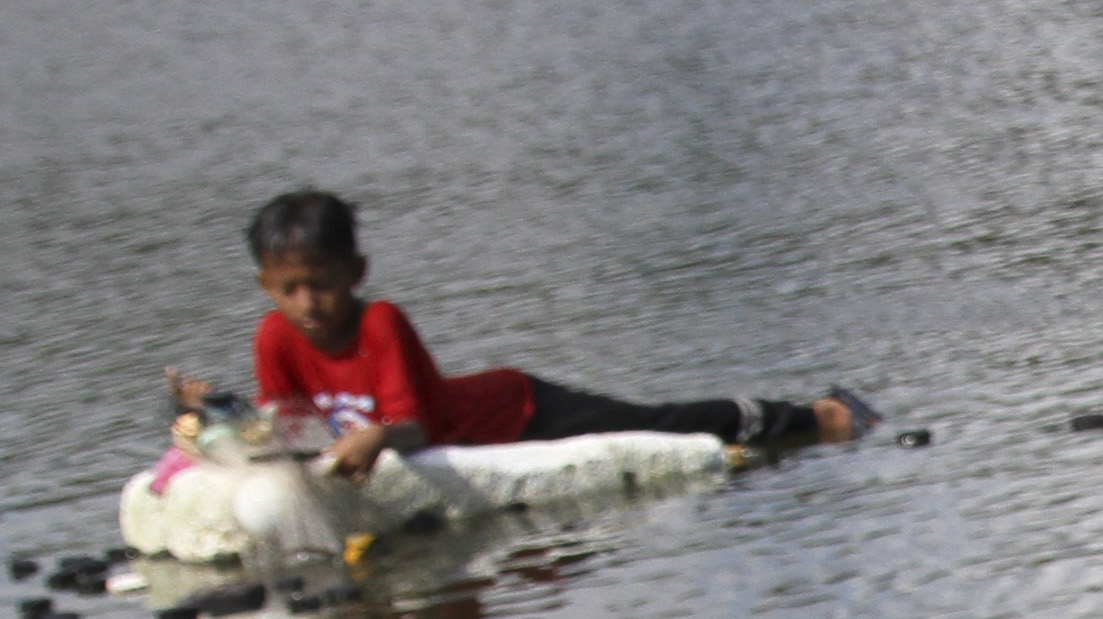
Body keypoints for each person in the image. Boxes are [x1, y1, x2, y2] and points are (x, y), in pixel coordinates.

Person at [170, 187, 874, 478]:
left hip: (516, 412)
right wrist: (215, 423)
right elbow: (287, 428)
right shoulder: (275, 338)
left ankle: (817, 415)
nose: (307, 304)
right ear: (265, 287)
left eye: (320, 284)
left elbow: (412, 428)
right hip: (463, 437)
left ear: (355, 271)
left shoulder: (379, 323)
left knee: (661, 425)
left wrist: (378, 437)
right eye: (287, 289)